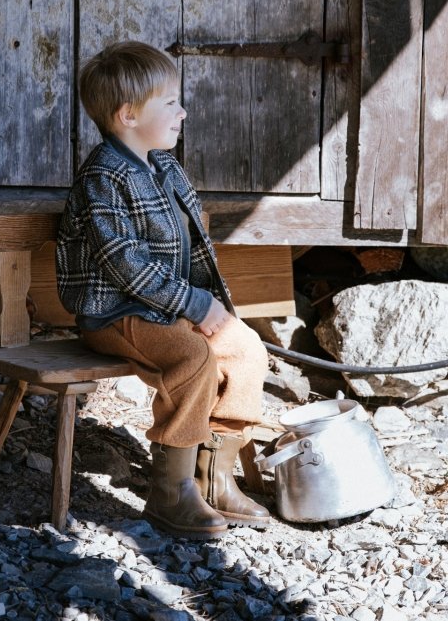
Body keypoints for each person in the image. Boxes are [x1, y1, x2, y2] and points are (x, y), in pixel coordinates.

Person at [56, 41, 271, 539]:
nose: (183, 111)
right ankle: (170, 490)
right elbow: (125, 264)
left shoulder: (164, 167)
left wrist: (215, 309)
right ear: (128, 115)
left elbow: (193, 246)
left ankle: (212, 476)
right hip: (115, 314)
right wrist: (194, 306)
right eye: (171, 103)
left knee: (245, 350)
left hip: (165, 307)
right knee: (192, 359)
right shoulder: (103, 179)